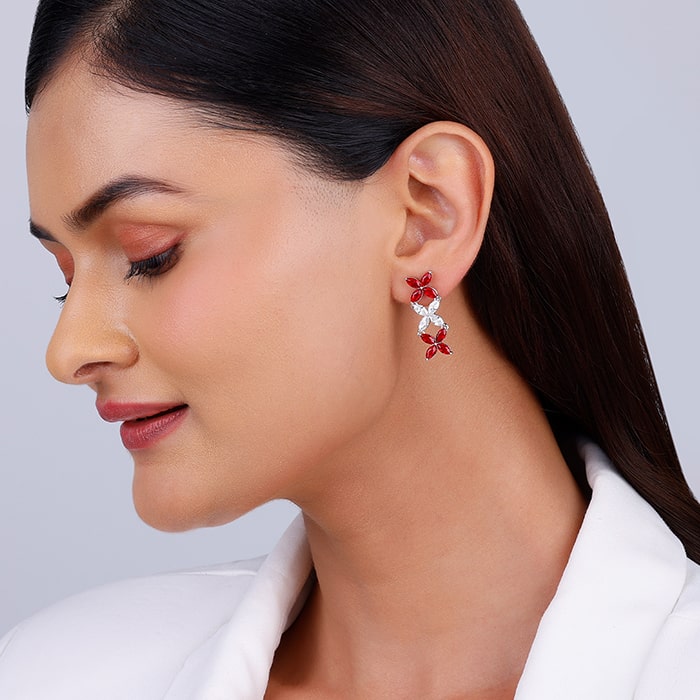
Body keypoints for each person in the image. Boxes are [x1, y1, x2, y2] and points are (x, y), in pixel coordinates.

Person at [1, 0, 699, 697]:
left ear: (427, 215)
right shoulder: (56, 678)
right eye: (67, 279)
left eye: (149, 254)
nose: (68, 352)